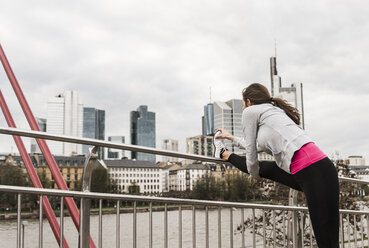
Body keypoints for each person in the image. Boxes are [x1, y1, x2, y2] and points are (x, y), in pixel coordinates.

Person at [214, 83, 339, 248]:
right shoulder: (273, 114)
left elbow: (251, 152)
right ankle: (224, 153)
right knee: (329, 240)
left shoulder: (250, 112)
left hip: (312, 171)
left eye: (243, 103)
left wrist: (253, 173)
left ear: (249, 101)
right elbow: (255, 145)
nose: (243, 107)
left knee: (326, 242)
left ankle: (224, 154)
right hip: (319, 170)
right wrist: (231, 138)